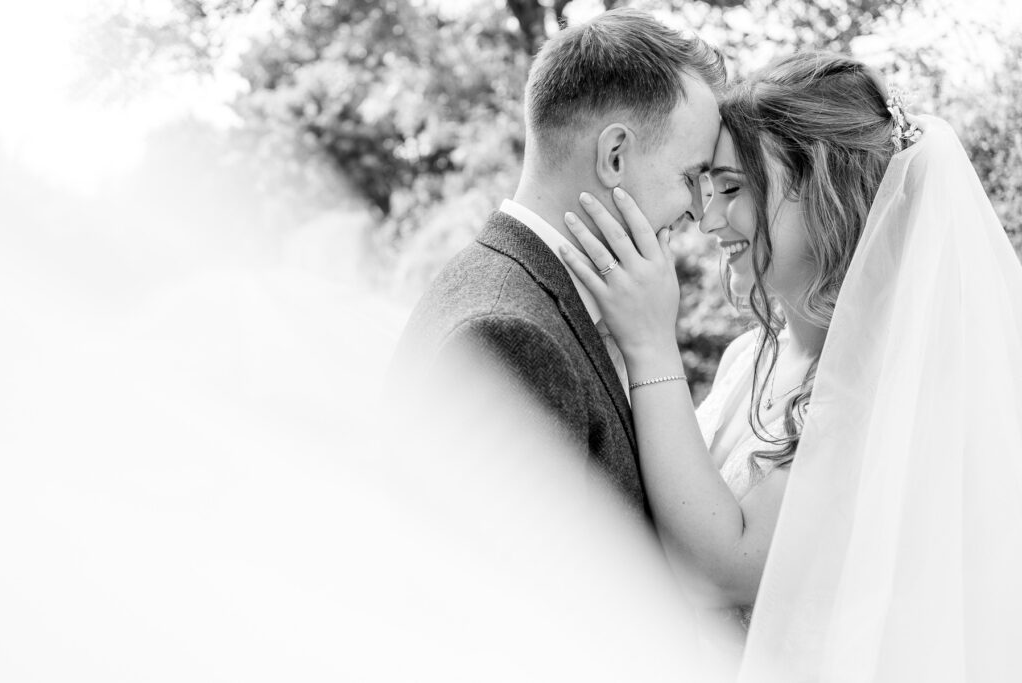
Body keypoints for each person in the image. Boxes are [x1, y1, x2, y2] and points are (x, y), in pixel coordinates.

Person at [560, 50, 1022, 680]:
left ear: (822, 193)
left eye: (733, 188)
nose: (708, 217)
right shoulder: (747, 356)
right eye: (705, 188)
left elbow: (721, 571)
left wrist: (650, 345)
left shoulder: (878, 390)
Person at [390, 8, 725, 520]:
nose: (698, 214)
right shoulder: (509, 335)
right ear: (615, 155)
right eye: (690, 177)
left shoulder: (504, 286)